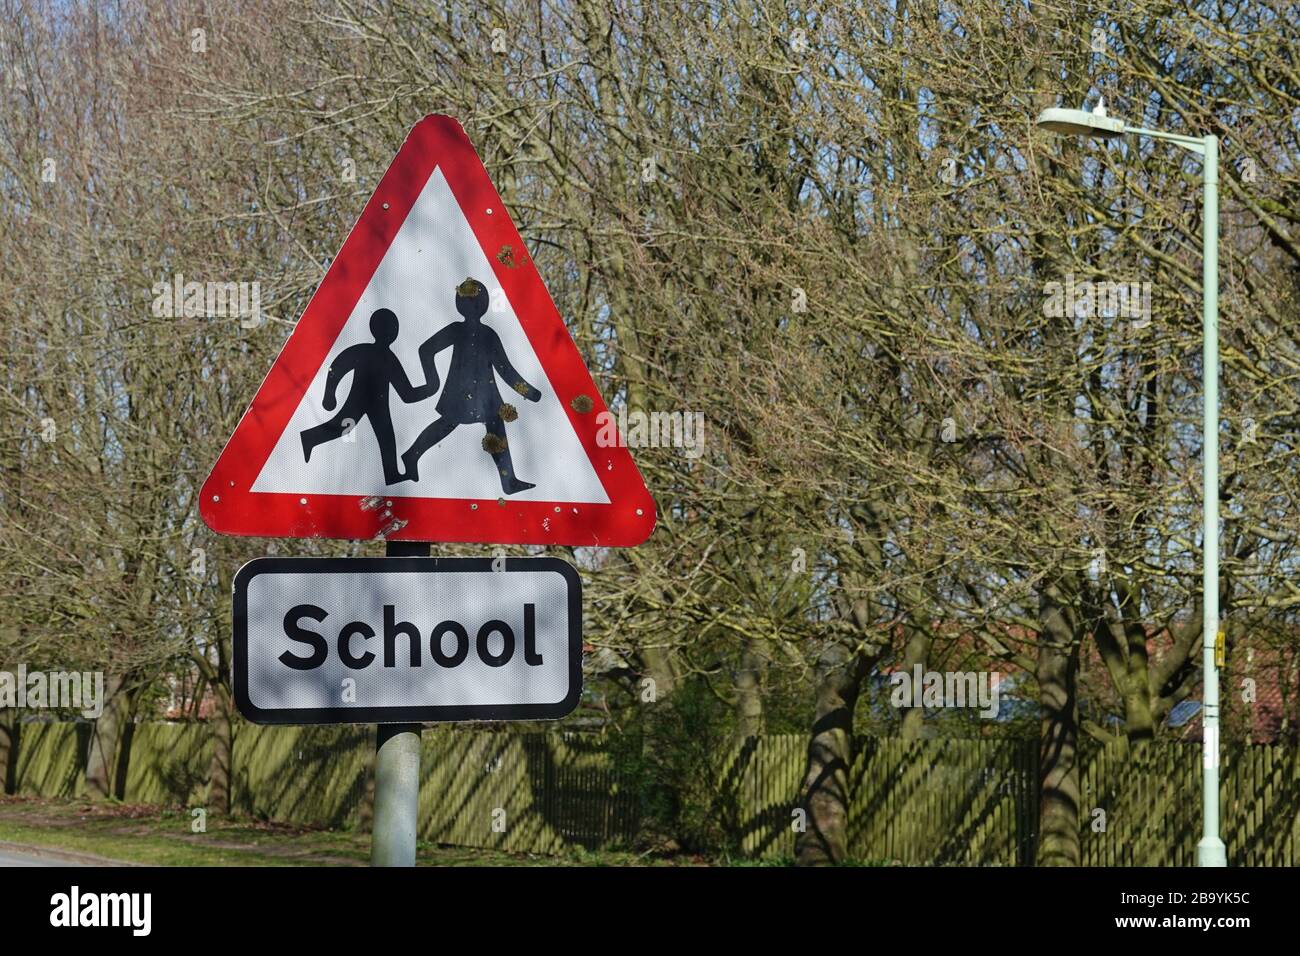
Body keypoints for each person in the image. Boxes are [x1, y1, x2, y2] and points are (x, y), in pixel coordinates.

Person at [399, 278, 542, 494]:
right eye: (471, 302)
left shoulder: (488, 335)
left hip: (486, 394)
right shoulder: (458, 330)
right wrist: (432, 381)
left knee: (492, 427)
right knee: (447, 424)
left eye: (477, 302)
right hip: (460, 392)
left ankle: (508, 481)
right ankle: (411, 454)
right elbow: (426, 349)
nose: (474, 306)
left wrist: (529, 392)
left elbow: (505, 369)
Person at [300, 308, 433, 485]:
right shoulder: (375, 353)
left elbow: (406, 393)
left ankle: (392, 473)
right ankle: (309, 438)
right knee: (348, 428)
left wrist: (429, 389)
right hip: (361, 400)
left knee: (384, 436)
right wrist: (329, 394)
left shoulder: (382, 355)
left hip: (378, 404)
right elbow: (339, 366)